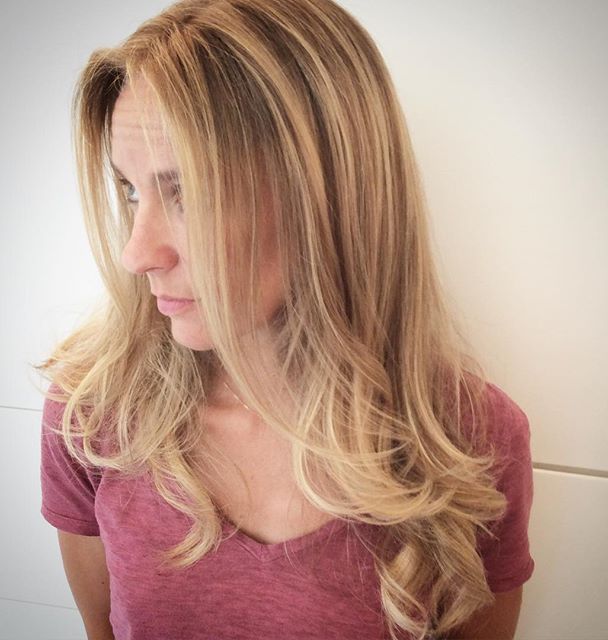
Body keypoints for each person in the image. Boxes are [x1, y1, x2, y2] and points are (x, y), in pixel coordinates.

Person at [36, 1, 535, 638]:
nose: (137, 254)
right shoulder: (92, 414)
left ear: (326, 196)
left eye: (188, 191)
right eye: (132, 190)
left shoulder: (468, 441)